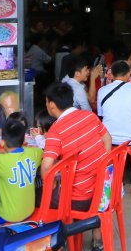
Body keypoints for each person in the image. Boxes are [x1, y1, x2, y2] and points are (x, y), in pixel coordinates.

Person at [40, 82, 112, 212]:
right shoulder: (90, 116)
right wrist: (101, 166)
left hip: (80, 199)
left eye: (46, 102)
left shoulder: (55, 131)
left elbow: (46, 167)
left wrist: (54, 185)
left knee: (41, 194)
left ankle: (67, 227)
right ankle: (96, 226)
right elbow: (107, 139)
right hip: (105, 189)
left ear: (51, 105)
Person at [0, 117, 43, 225]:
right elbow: (41, 150)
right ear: (23, 140)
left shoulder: (0, 161)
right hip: (29, 211)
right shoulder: (34, 154)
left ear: (2, 143)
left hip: (7, 216)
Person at [97, 60, 131, 147]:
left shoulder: (102, 90)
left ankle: (113, 160)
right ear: (129, 74)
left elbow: (101, 114)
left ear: (112, 74)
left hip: (109, 138)